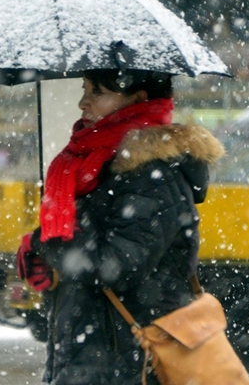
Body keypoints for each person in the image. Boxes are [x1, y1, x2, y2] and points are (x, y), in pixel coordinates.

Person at [16, 69, 225, 385]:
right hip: (93, 360)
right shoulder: (96, 167)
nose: (82, 103)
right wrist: (47, 249)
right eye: (84, 89)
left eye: (97, 92)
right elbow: (89, 266)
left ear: (137, 99)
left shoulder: (151, 175)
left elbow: (116, 266)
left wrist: (46, 242)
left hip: (129, 366)